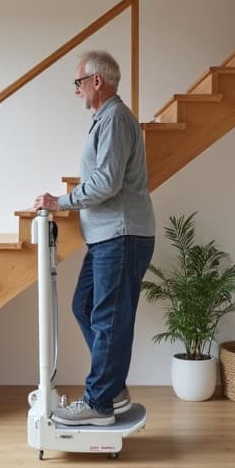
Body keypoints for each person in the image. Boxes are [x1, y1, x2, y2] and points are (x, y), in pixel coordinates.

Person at [34, 50, 155, 426]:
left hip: (122, 235)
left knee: (108, 319)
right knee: (85, 307)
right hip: (109, 237)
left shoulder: (115, 118)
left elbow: (105, 182)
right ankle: (111, 386)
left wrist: (62, 202)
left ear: (96, 81)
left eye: (78, 83)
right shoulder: (105, 119)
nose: (77, 91)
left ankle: (100, 402)